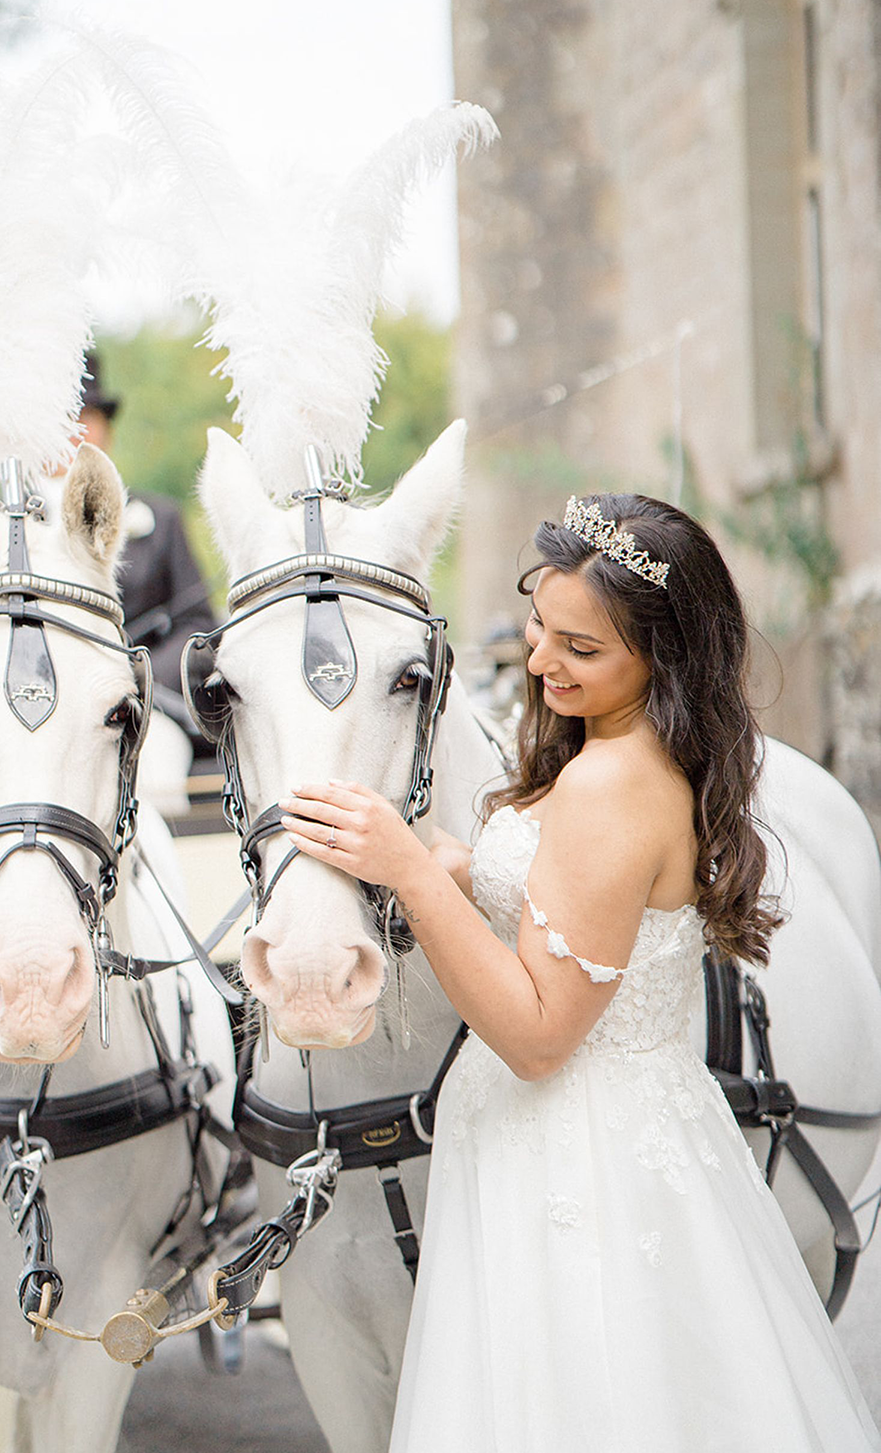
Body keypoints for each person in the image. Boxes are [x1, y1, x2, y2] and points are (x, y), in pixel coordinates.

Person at [277, 493, 881, 1452]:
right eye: (538, 627)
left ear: (660, 656)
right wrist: (470, 871)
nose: (541, 660)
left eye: (581, 649)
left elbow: (537, 1035)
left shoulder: (611, 782)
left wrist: (404, 870)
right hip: (582, 1137)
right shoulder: (616, 752)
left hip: (580, 1155)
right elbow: (569, 904)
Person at [76, 354, 216, 698]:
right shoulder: (11, 530)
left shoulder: (161, 518)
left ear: (105, 429)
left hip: (150, 703)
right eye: (63, 421)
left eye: (86, 419)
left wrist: (140, 679)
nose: (75, 433)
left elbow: (198, 625)